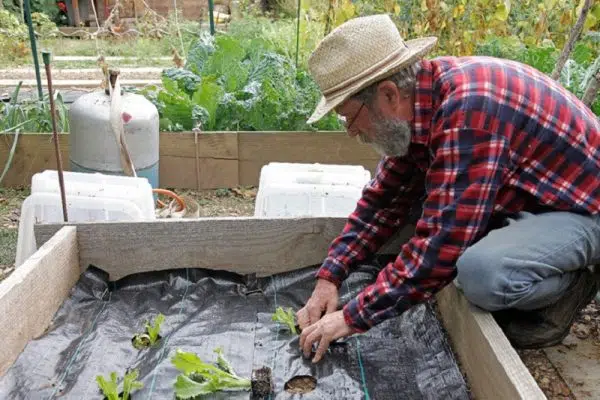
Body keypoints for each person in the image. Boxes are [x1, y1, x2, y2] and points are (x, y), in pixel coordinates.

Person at [296, 13, 600, 363]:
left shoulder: (469, 111)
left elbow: (440, 247)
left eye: (350, 116)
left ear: (388, 94)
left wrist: (351, 317)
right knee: (421, 210)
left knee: (480, 273)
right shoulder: (420, 105)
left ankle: (571, 286)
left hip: (583, 210)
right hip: (535, 200)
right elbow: (383, 202)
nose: (350, 130)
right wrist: (329, 277)